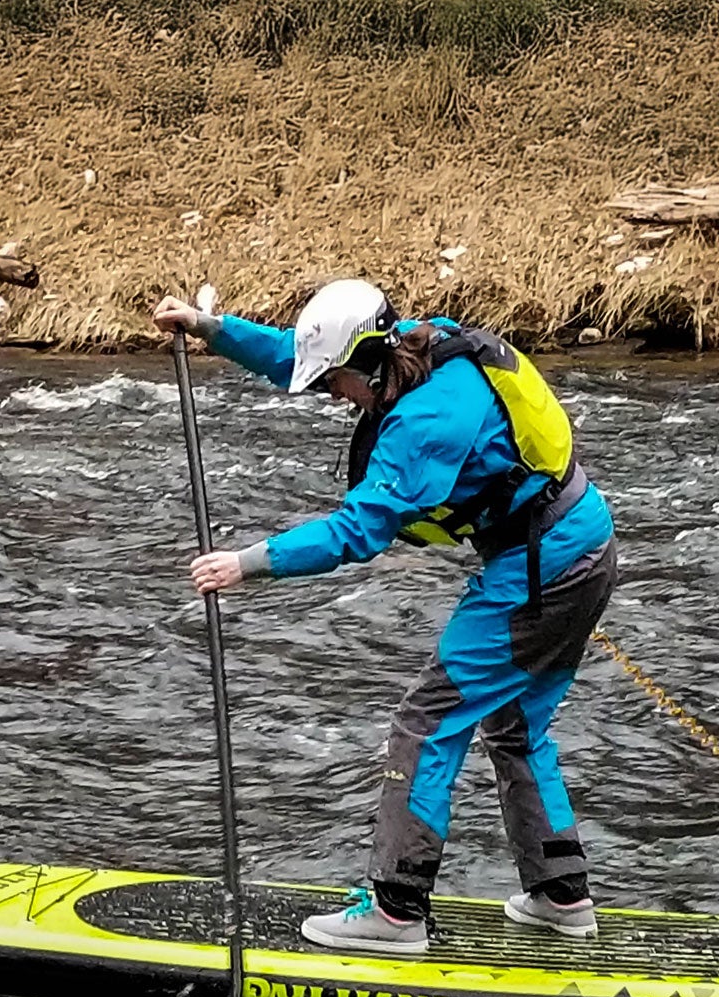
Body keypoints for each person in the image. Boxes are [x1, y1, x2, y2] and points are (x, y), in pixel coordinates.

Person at [152, 279, 616, 956]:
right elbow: (297, 356)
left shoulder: (426, 422)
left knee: (425, 720)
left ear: (366, 364)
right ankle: (561, 894)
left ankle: (396, 909)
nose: (333, 396)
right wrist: (210, 326)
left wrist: (244, 563)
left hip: (543, 566)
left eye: (336, 384)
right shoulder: (410, 348)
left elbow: (357, 531)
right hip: (574, 545)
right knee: (515, 724)